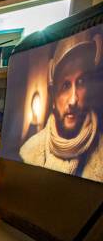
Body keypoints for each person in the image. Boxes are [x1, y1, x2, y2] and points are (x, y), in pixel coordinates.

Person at [19, 31, 103, 181]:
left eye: (81, 82)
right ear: (53, 95)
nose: (73, 100)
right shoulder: (29, 152)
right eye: (65, 85)